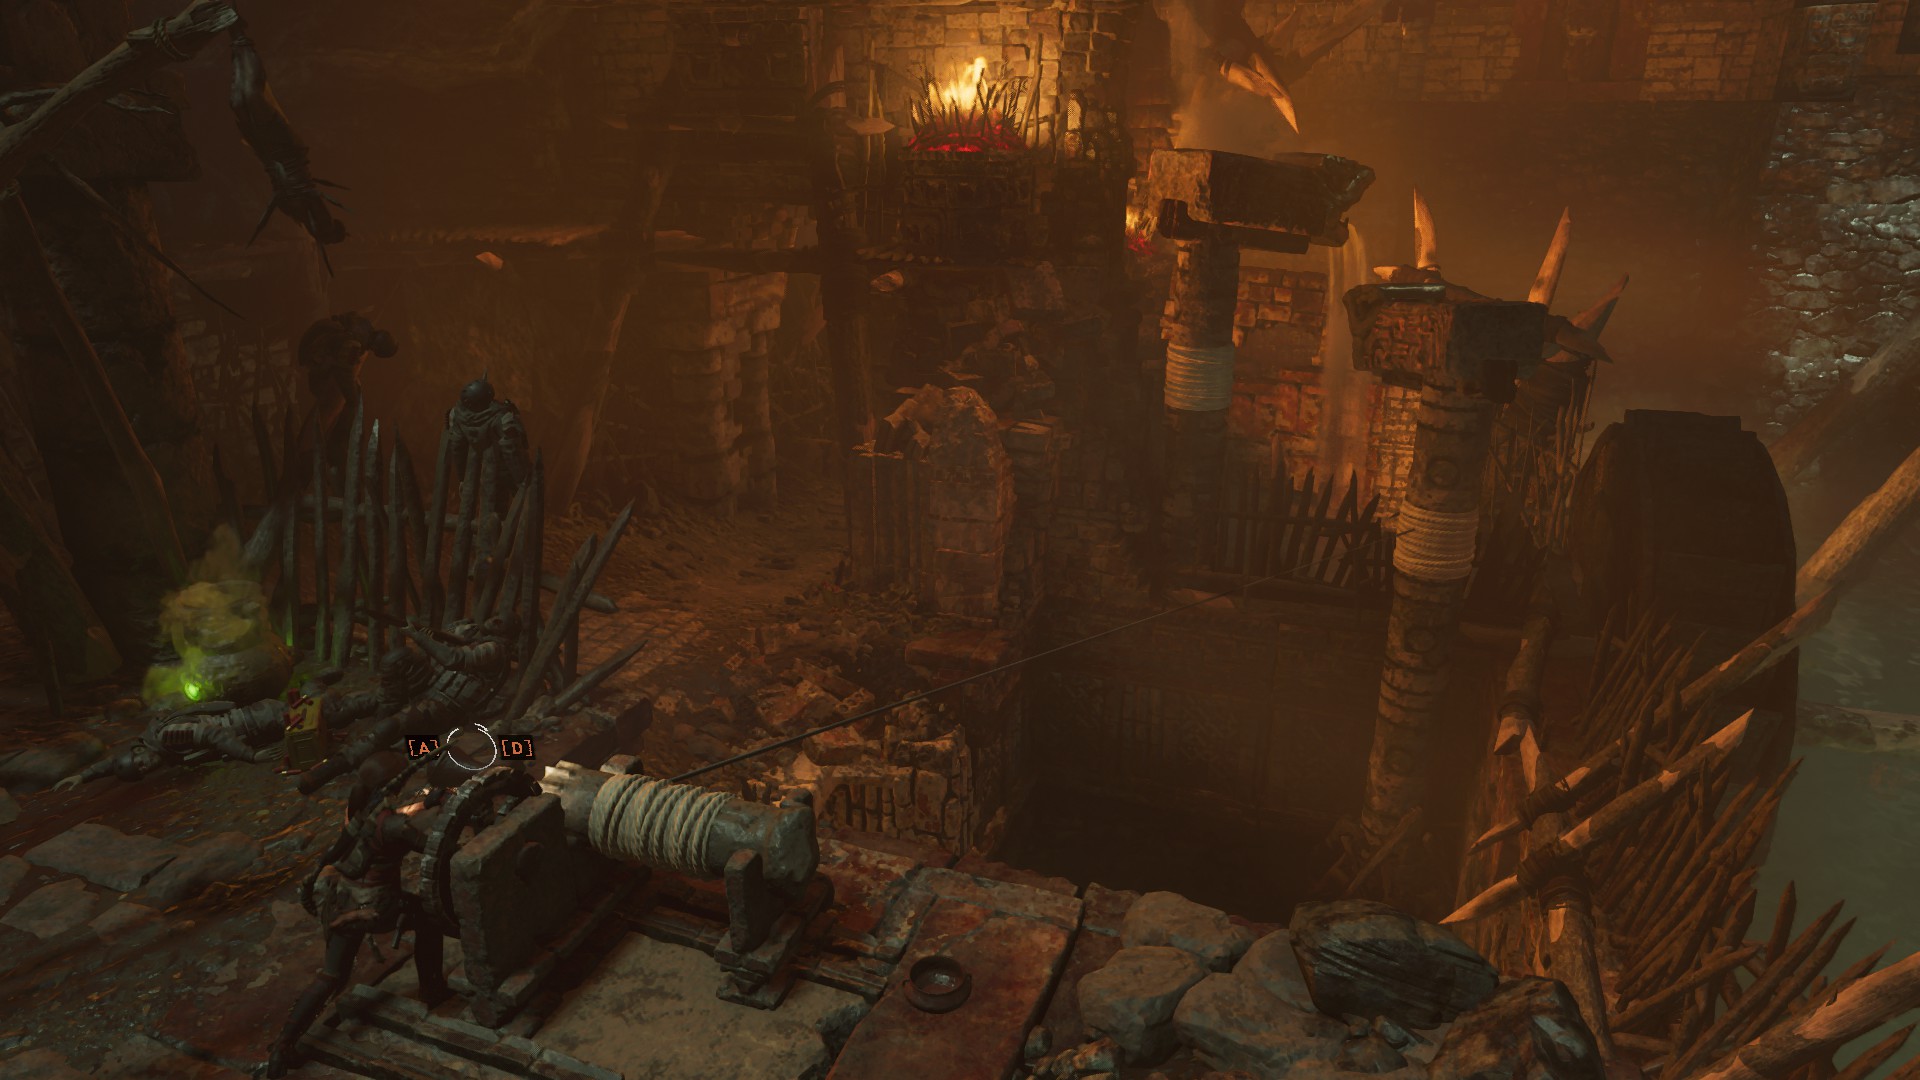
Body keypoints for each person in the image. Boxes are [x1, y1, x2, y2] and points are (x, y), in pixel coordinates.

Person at [262, 751, 458, 1077]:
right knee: (427, 918)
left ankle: (283, 1045)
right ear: (393, 785)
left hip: (341, 903)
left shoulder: (356, 810)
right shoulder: (395, 826)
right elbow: (437, 849)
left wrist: (425, 803)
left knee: (331, 976)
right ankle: (432, 989)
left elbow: (388, 817)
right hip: (376, 907)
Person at [296, 618, 515, 795]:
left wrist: (418, 636)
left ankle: (333, 767)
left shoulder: (495, 650)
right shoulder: (475, 635)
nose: (494, 620)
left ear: (509, 632)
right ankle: (377, 714)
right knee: (396, 659)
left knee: (389, 727)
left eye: (501, 621)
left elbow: (452, 659)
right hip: (429, 687)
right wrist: (449, 634)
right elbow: (447, 639)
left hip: (443, 708)